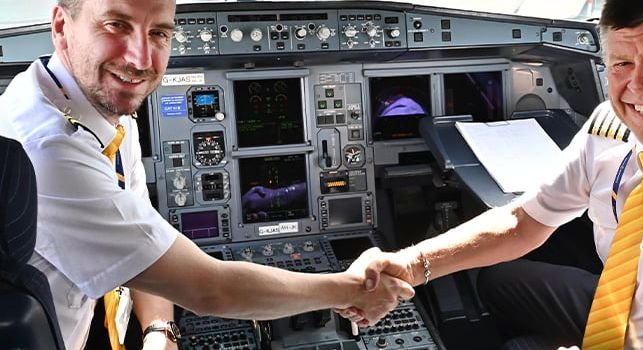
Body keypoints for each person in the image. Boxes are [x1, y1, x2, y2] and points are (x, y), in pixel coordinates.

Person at [340, 0, 643, 348]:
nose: (639, 85)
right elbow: (523, 222)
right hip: (626, 306)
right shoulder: (613, 121)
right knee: (499, 282)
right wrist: (409, 264)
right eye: (622, 63)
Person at [0, 0, 415, 349]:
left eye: (159, 33)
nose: (140, 60)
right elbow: (210, 289)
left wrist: (160, 328)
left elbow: (138, 228)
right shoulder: (49, 147)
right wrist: (352, 288)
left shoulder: (97, 104)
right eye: (116, 24)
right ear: (60, 26)